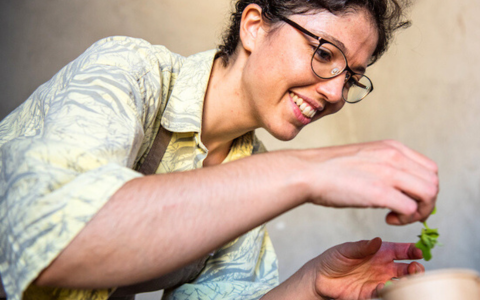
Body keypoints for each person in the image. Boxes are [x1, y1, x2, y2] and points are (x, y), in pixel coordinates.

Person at [0, 0, 438, 299]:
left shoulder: (250, 167)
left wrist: (311, 283)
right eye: (325, 53)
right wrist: (310, 171)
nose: (335, 92)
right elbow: (53, 243)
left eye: (352, 78)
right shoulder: (130, 70)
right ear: (254, 26)